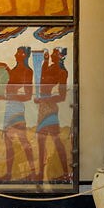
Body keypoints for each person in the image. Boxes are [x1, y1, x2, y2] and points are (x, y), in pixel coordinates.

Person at [1, 46, 37, 181]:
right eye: (16, 51)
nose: (16, 54)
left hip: (16, 108)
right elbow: (11, 87)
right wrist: (6, 69)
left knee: (23, 141)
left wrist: (6, 97)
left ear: (24, 55)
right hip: (9, 107)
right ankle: (9, 174)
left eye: (19, 52)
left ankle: (33, 173)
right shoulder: (15, 70)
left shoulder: (28, 71)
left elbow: (27, 95)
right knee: (8, 142)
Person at [35, 47, 71, 181]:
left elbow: (61, 96)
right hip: (43, 107)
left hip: (49, 107)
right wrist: (44, 61)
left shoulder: (62, 72)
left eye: (56, 53)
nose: (53, 55)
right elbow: (42, 81)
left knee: (55, 140)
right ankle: (40, 173)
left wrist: (43, 99)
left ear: (61, 56)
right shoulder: (49, 67)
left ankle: (66, 174)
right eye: (53, 52)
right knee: (41, 140)